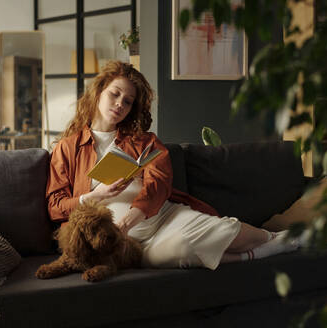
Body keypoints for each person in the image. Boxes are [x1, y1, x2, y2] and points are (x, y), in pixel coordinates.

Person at [47, 60, 305, 270]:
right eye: (115, 94)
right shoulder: (67, 148)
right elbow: (55, 207)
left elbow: (160, 181)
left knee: (219, 229)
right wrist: (95, 196)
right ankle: (262, 253)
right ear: (98, 91)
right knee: (179, 253)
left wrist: (129, 219)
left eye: (128, 101)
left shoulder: (143, 141)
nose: (120, 104)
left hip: (162, 217)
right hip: (122, 242)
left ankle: (276, 238)